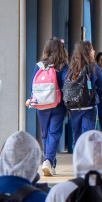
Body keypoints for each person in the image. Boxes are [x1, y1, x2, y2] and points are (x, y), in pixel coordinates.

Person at [30, 37, 69, 176]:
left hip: (41, 105)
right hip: (57, 104)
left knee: (45, 133)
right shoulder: (62, 66)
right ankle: (48, 161)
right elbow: (66, 85)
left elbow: (32, 85)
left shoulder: (39, 66)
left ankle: (50, 162)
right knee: (54, 133)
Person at [63, 40, 102, 146]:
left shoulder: (71, 68)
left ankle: (77, 155)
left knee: (77, 136)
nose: (94, 51)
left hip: (73, 106)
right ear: (87, 51)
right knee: (88, 136)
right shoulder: (93, 67)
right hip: (88, 106)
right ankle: (86, 156)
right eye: (92, 49)